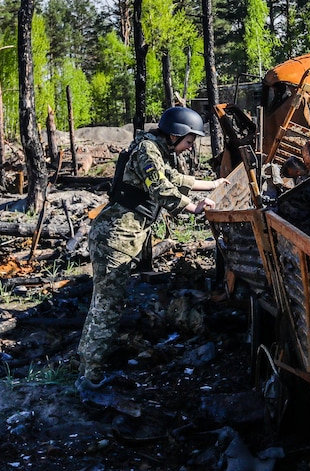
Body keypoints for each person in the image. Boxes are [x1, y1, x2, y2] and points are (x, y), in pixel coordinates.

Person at [77, 106, 229, 387]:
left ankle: (86, 362)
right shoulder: (148, 150)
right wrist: (192, 206)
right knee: (108, 307)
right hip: (115, 237)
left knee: (103, 304)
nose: (189, 147)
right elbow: (160, 186)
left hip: (121, 236)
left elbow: (173, 178)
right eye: (189, 141)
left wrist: (212, 184)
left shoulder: (155, 150)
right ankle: (92, 377)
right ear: (175, 135)